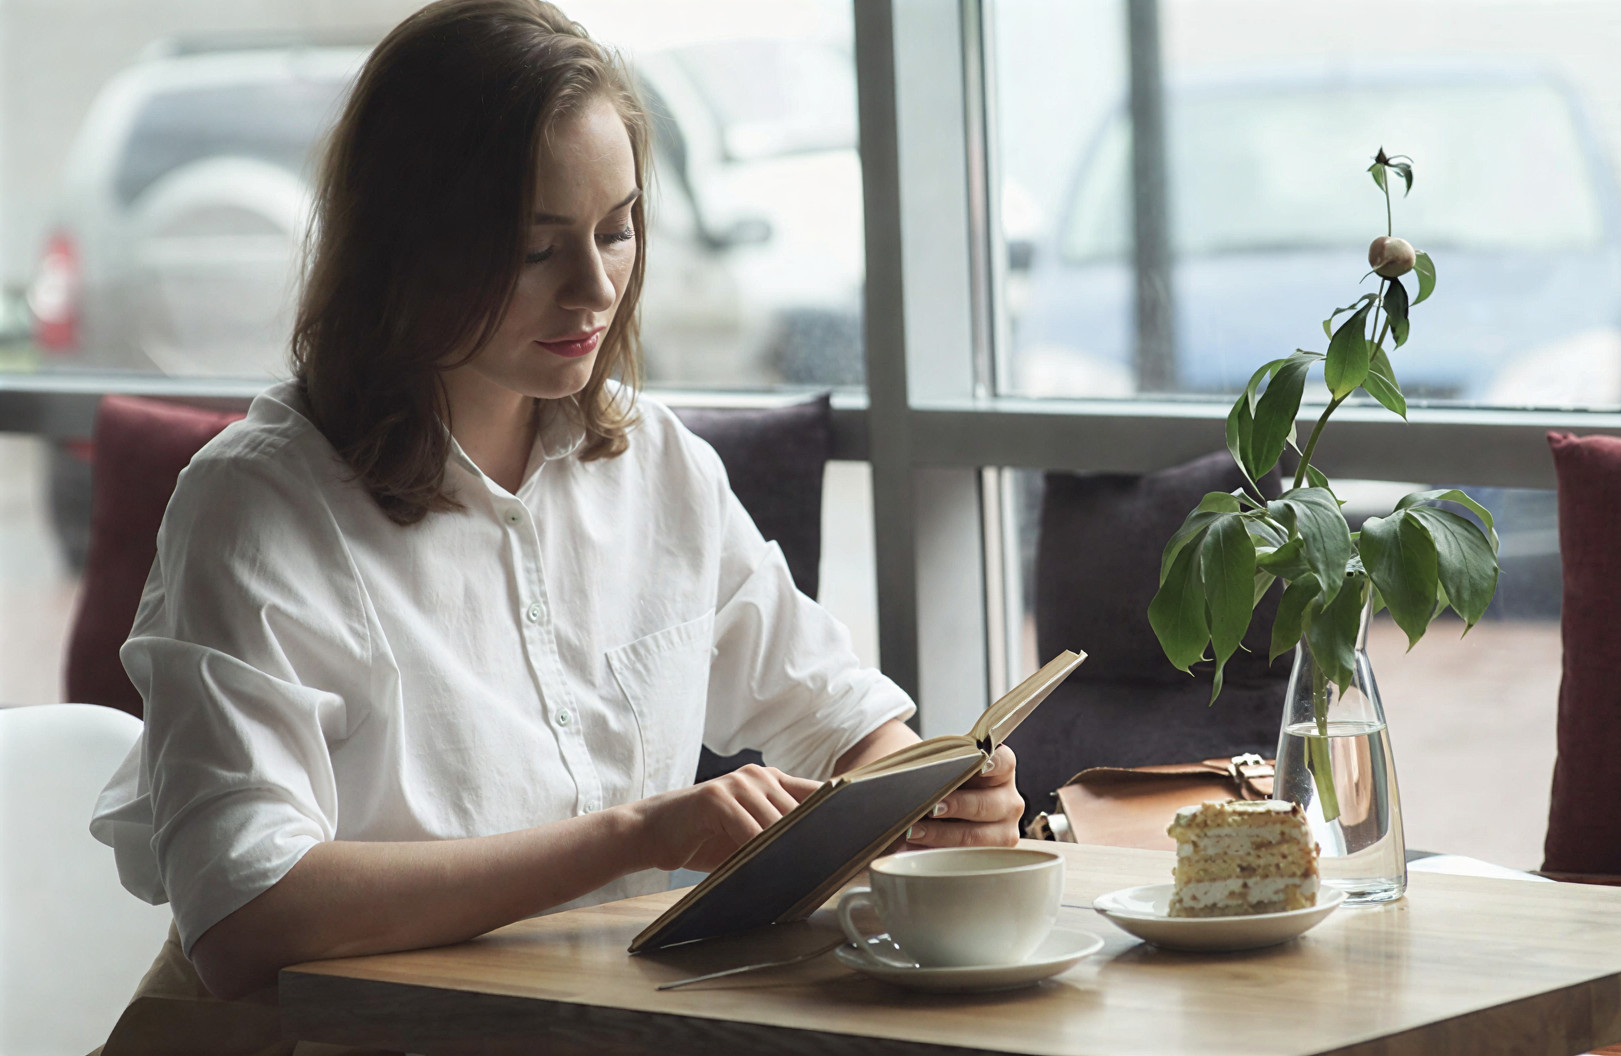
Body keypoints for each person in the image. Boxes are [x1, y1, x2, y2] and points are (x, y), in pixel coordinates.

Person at [87, 1, 1022, 1048]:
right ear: (409, 244)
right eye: (535, 249)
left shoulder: (656, 465)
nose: (594, 288)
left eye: (616, 229)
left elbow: (839, 717)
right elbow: (245, 917)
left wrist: (931, 799)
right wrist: (631, 837)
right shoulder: (259, 508)